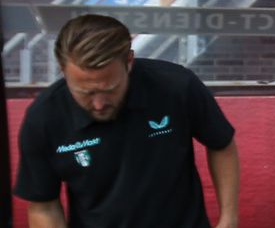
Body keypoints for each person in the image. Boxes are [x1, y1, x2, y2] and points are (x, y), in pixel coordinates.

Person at [14, 14, 239, 228]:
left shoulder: (176, 85)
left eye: (110, 89)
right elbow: (44, 206)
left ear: (129, 61)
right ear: (63, 70)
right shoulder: (44, 118)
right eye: (85, 92)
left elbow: (221, 144)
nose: (99, 104)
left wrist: (228, 219)